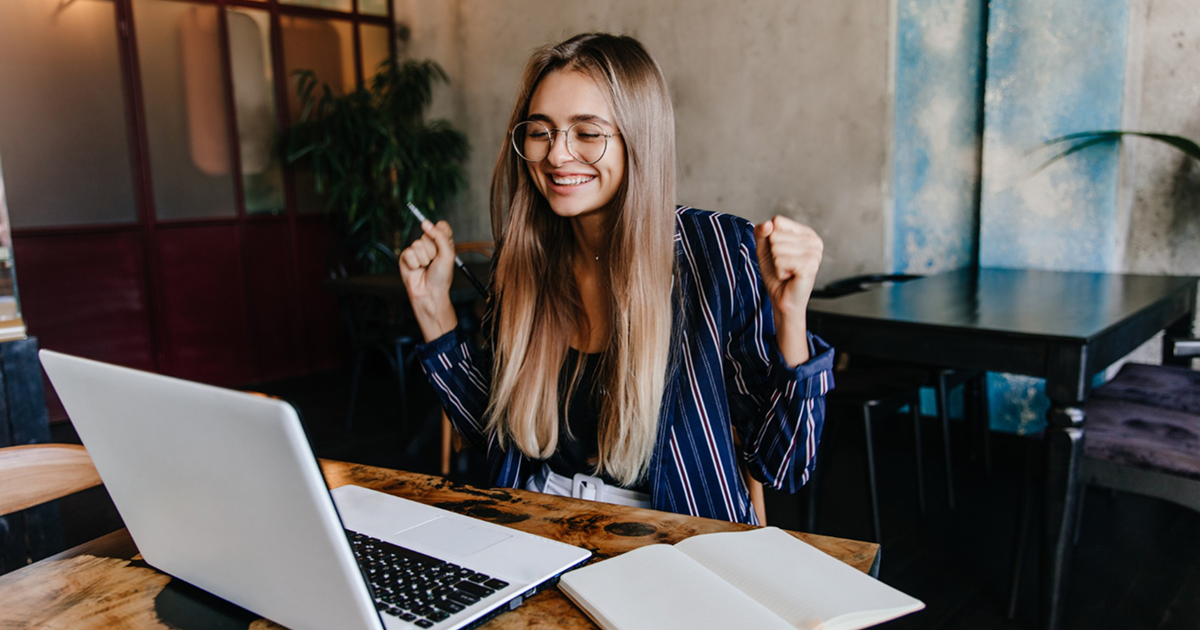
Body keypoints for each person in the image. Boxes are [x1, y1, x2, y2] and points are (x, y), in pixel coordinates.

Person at [399, 32, 834, 525]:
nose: (557, 155)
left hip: (678, 540)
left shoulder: (715, 250)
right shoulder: (525, 261)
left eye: (587, 132)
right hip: (537, 527)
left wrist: (791, 316)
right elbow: (496, 438)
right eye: (540, 131)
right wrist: (433, 307)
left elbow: (784, 465)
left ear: (639, 139)